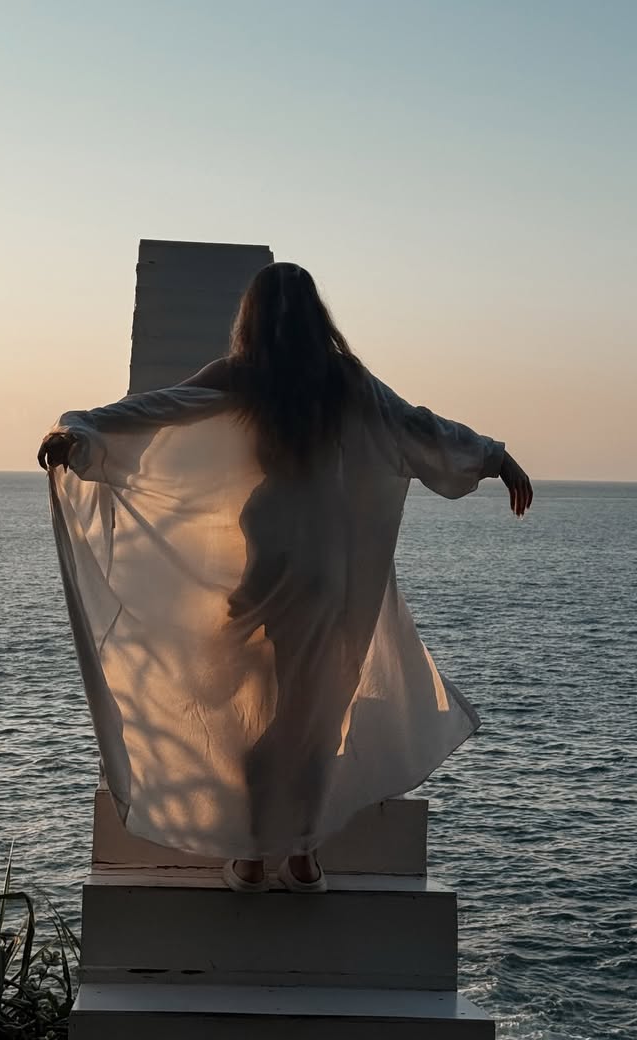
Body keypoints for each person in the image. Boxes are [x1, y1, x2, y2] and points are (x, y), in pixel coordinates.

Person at [39, 262, 532, 894]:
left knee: (266, 705)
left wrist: (78, 433)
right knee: (314, 709)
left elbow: (156, 410)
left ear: (252, 314)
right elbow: (419, 428)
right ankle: (295, 853)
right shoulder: (341, 380)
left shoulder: (247, 376)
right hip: (323, 562)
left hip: (268, 548)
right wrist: (494, 456)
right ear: (315, 314)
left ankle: (259, 854)